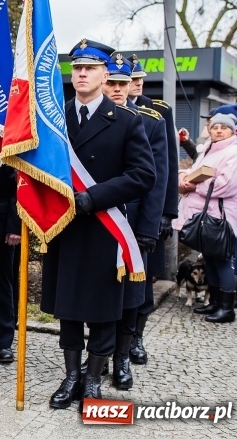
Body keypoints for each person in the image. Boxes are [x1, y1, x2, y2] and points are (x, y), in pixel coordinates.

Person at [43, 39, 154, 410]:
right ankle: (71, 376)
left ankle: (93, 380)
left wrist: (93, 198)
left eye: (90, 68)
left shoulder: (126, 121)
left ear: (106, 75)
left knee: (104, 310)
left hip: (105, 228)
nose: (82, 74)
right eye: (77, 69)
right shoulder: (54, 118)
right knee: (69, 307)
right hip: (65, 228)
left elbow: (143, 175)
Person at [99, 54, 168, 390]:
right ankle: (99, 350)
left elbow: (157, 179)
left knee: (131, 293)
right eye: (110, 81)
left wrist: (150, 227)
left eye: (122, 83)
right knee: (101, 289)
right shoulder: (90, 118)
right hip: (100, 221)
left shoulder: (152, 120)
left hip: (135, 222)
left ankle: (122, 355)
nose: (116, 89)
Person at [127, 54, 179, 365]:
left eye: (138, 78)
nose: (137, 83)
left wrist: (165, 214)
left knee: (143, 280)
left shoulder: (158, 112)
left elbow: (167, 168)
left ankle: (136, 337)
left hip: (148, 213)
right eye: (130, 78)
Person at [174, 112, 237, 323]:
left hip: (221, 216)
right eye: (215, 127)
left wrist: (194, 185)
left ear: (232, 131)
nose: (218, 131)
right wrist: (184, 178)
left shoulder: (235, 153)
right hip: (206, 215)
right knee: (210, 259)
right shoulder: (208, 149)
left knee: (223, 260)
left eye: (223, 128)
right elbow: (196, 171)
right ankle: (214, 302)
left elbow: (225, 185)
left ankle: (227, 307)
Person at [0, 165, 20, 363]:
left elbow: (18, 185)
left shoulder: (4, 135)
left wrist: (14, 225)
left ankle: (3, 341)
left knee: (2, 284)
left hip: (1, 224)